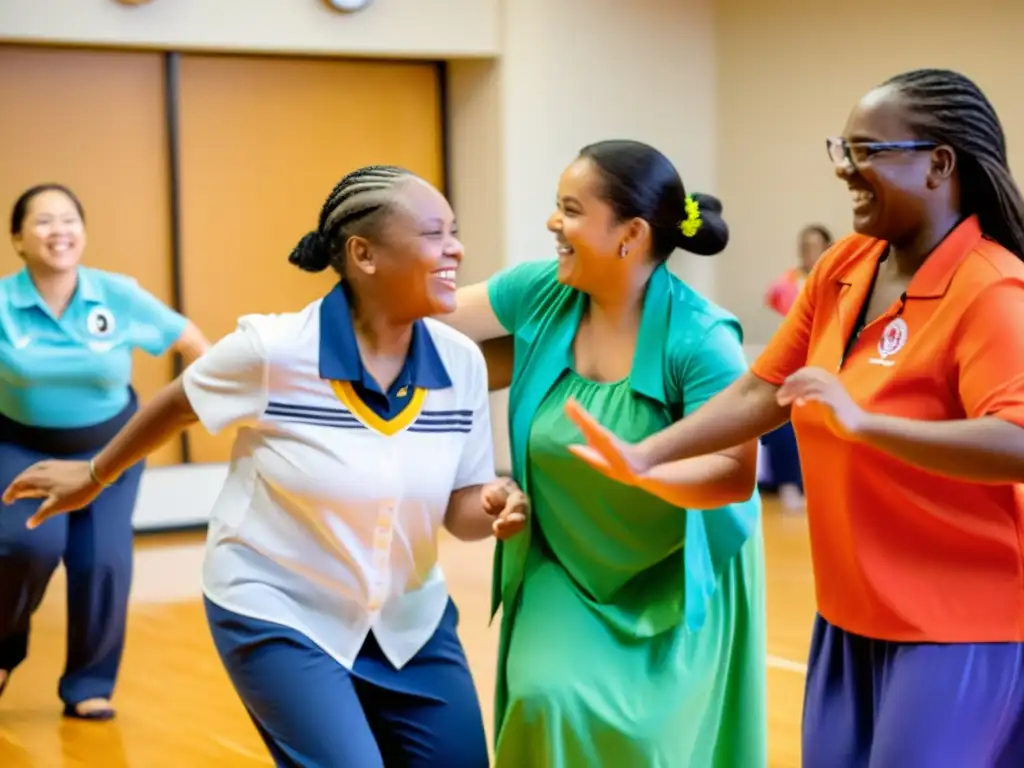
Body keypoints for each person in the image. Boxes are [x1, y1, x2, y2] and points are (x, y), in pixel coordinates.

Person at [566, 69, 1024, 766]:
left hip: (963, 624)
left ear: (939, 164)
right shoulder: (845, 265)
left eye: (867, 152)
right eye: (842, 149)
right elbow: (762, 393)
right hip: (849, 613)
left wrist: (866, 424)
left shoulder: (991, 288)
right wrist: (649, 455)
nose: (847, 170)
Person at [4, 166, 528, 767]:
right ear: (364, 254)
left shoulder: (460, 364)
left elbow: (461, 511)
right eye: (435, 234)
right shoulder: (275, 351)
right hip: (279, 609)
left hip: (408, 619)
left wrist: (491, 504)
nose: (456, 248)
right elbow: (180, 400)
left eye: (453, 231)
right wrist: (93, 473)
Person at [442, 140, 767, 766]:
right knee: (544, 702)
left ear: (631, 234)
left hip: (677, 575)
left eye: (570, 209)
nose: (551, 224)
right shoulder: (539, 293)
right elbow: (422, 319)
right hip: (562, 563)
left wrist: (646, 467)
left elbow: (734, 473)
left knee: (649, 745)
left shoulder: (700, 338)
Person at [0, 183, 209, 720]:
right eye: (43, 222)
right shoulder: (3, 303)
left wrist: (218, 402)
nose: (59, 231)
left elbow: (193, 345)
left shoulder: (117, 294)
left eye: (69, 219)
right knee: (28, 548)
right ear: (18, 239)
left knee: (103, 562)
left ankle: (88, 684)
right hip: (22, 446)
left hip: (110, 447)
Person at [760, 224, 833, 509]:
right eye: (805, 247)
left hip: (830, 362)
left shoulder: (839, 279)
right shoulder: (790, 280)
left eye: (815, 246)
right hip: (797, 361)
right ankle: (788, 483)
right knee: (778, 413)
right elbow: (773, 300)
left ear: (828, 248)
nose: (809, 252)